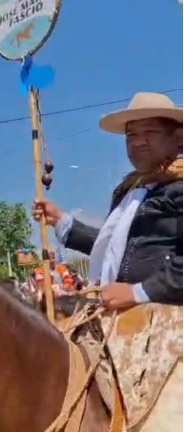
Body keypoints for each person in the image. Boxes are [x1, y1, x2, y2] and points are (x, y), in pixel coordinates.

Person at [32, 92, 183, 310]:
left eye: (150, 132)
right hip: (125, 316)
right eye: (131, 135)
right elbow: (115, 249)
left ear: (178, 138)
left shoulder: (179, 187)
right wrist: (61, 221)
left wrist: (139, 292)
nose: (138, 142)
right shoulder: (130, 190)